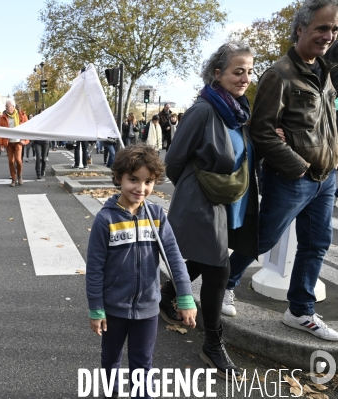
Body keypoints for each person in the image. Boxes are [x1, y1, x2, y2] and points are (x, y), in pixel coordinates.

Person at [222, 0, 338, 342]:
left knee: (316, 243)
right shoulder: (279, 74)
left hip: (326, 178)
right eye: (322, 28)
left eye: (333, 29)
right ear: (301, 29)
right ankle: (224, 286)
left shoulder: (326, 72)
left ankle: (300, 311)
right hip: (292, 177)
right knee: (263, 238)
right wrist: (298, 166)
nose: (328, 35)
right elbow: (262, 130)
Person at [164, 42, 258, 377]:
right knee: (219, 269)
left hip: (228, 200)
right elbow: (174, 160)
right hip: (202, 202)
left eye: (249, 70)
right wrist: (193, 188)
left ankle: (165, 297)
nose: (245, 77)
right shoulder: (204, 109)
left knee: (201, 262)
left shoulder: (238, 110)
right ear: (217, 73)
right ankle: (213, 344)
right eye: (238, 71)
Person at [86, 145, 197, 398]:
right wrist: (96, 307)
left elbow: (175, 259)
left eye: (148, 182)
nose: (141, 188)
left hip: (148, 308)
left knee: (142, 365)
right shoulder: (106, 220)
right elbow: (94, 269)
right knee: (111, 359)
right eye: (133, 180)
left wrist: (185, 296)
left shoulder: (157, 216)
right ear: (119, 178)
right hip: (114, 308)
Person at [0, 99, 29, 187]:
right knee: (11, 161)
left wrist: (25, 140)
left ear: (13, 107)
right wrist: (1, 144)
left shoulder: (21, 115)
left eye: (8, 106)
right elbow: (0, 131)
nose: (6, 108)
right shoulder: (3, 117)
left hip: (18, 142)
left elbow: (27, 128)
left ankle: (19, 176)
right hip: (9, 143)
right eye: (6, 106)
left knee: (18, 160)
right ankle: (13, 178)